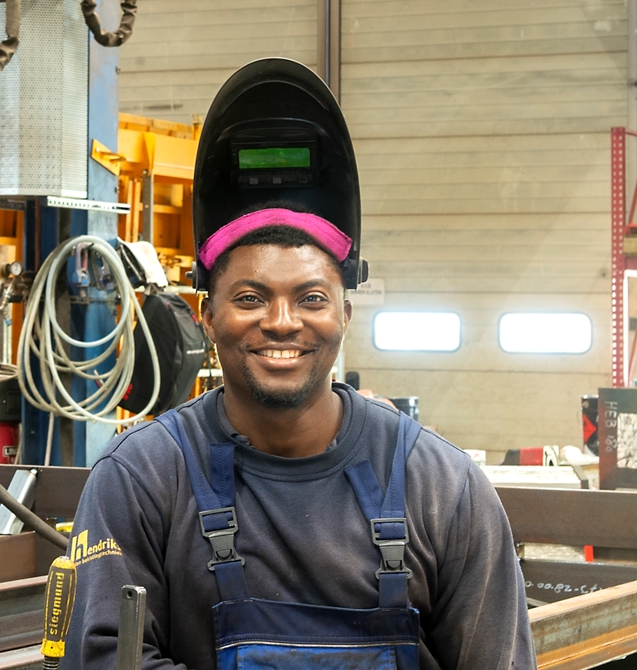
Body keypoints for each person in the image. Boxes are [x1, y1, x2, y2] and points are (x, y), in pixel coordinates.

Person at [61, 209, 536, 669]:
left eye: (312, 298)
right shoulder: (141, 475)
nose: (282, 321)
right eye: (250, 298)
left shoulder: (442, 485)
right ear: (207, 317)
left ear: (344, 315)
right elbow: (101, 657)